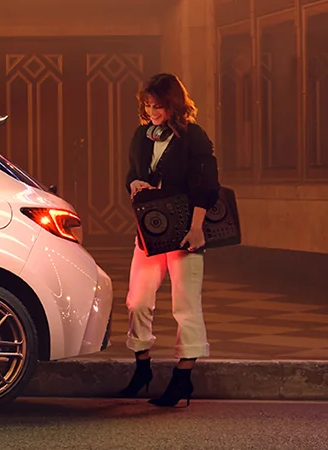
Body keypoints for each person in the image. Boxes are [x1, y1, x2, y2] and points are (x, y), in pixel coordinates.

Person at [115, 73, 220, 408]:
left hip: (186, 228)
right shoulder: (142, 136)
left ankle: (182, 378)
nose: (151, 112)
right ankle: (142, 368)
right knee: (138, 301)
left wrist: (197, 228)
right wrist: (134, 184)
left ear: (173, 104)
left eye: (158, 106)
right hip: (151, 229)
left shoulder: (194, 137)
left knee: (185, 306)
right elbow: (132, 172)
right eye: (147, 106)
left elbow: (207, 185)